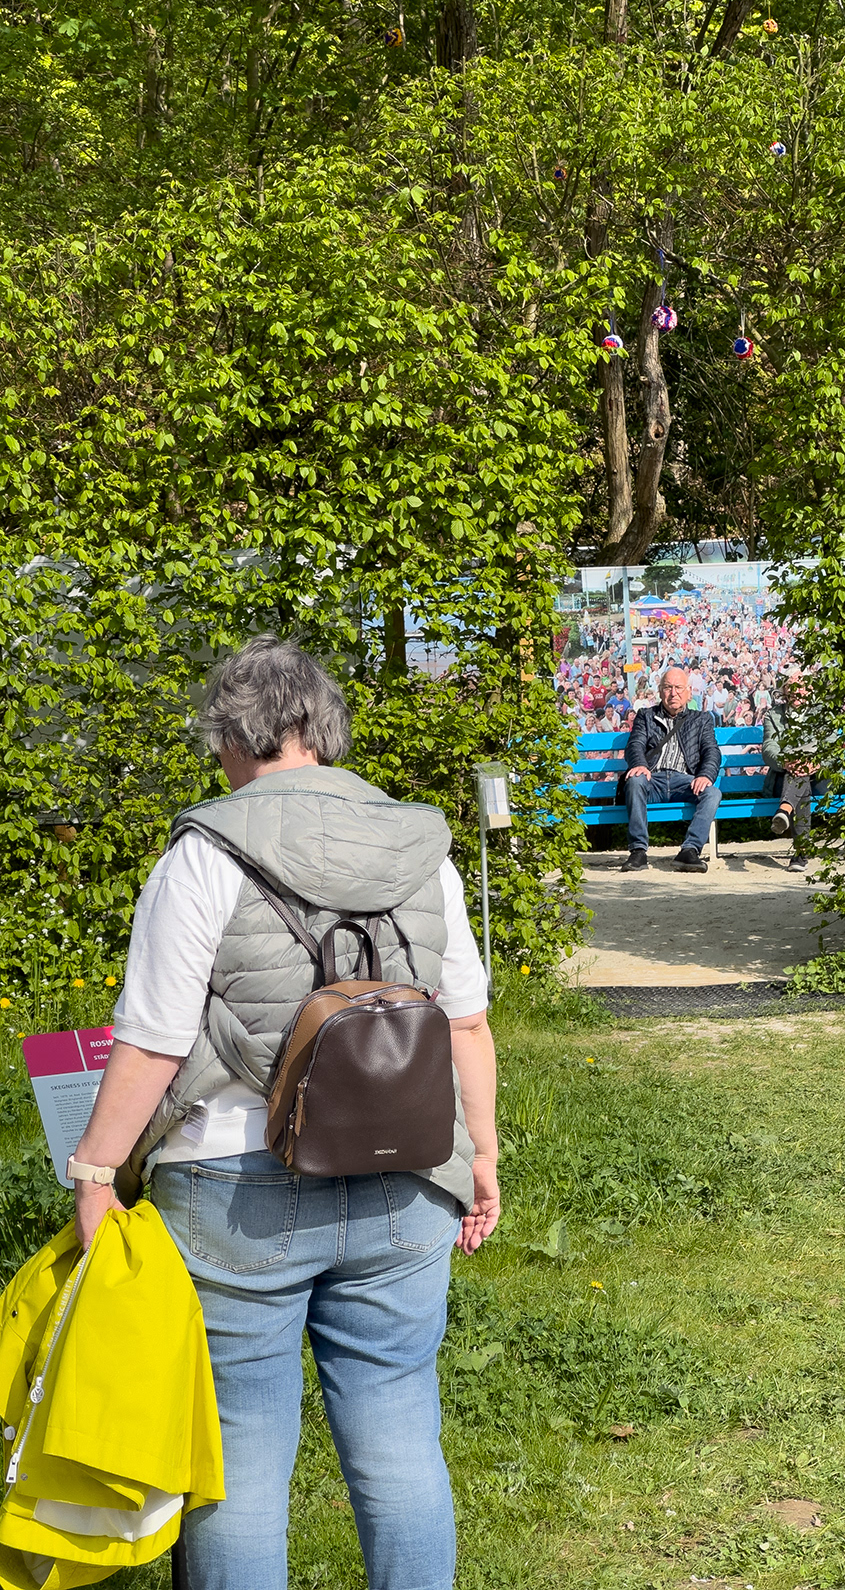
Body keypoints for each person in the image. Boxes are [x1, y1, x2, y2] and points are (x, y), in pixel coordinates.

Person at [68, 634, 499, 1590]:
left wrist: (96, 1173)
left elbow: (150, 1041)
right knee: (397, 1437)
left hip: (234, 1186)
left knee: (242, 1460)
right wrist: (483, 1162)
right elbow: (464, 1024)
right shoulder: (422, 846)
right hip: (407, 1176)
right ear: (322, 728)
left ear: (234, 732)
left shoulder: (205, 851)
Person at [620, 665, 722, 874]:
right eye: (667, 687)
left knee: (713, 793)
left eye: (678, 687)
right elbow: (635, 744)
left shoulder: (701, 719)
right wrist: (639, 764)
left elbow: (712, 751)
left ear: (688, 692)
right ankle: (638, 851)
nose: (673, 693)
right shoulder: (646, 716)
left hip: (684, 781)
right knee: (635, 780)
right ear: (660, 691)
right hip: (652, 779)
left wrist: (704, 775)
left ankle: (690, 850)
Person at [762, 667, 822, 874]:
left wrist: (818, 762)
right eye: (792, 687)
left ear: (810, 689)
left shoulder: (822, 713)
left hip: (820, 776)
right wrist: (787, 762)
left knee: (800, 778)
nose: (797, 691)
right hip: (784, 773)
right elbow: (769, 748)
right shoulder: (773, 715)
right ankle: (801, 854)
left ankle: (785, 811)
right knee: (798, 779)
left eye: (801, 687)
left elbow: (833, 745)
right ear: (785, 690)